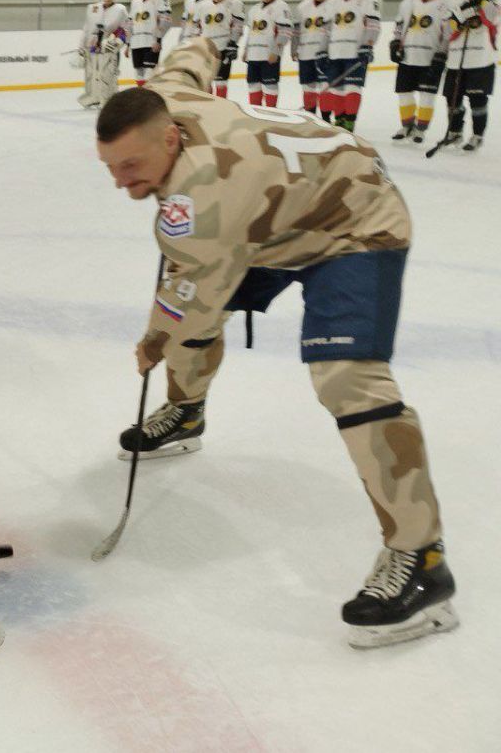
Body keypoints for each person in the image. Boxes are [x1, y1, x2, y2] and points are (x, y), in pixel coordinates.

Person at [95, 37, 456, 650]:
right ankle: (186, 411)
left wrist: (157, 335)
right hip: (275, 213)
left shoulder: (200, 203)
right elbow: (194, 52)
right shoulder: (165, 97)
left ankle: (421, 560)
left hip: (355, 221)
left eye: (133, 169)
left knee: (345, 377)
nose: (123, 185)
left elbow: (193, 299)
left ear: (172, 140)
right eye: (111, 169)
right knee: (184, 297)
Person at [438, 0, 499, 152]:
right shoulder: (458, 0)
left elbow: (493, 16)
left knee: (478, 102)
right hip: (456, 61)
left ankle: (477, 135)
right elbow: (447, 31)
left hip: (481, 60)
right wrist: (459, 18)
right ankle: (455, 132)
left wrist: (481, 0)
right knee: (452, 100)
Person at [389, 0, 453, 144]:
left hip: (431, 59)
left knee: (427, 96)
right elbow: (400, 24)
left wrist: (442, 54)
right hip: (408, 57)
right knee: (404, 94)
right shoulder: (408, 2)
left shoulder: (448, 4)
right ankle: (406, 125)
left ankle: (420, 129)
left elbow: (449, 33)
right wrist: (395, 43)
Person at [325, 0, 381, 132]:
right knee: (336, 89)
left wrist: (367, 46)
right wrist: (324, 50)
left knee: (352, 88)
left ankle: (350, 122)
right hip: (335, 52)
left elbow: (374, 24)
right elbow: (328, 29)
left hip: (355, 53)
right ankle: (340, 120)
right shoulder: (334, 2)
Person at [182, 0, 243, 98]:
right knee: (206, 80)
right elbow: (196, 26)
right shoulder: (203, 5)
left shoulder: (234, 3)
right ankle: (209, 108)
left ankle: (220, 109)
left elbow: (238, 25)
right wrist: (196, 43)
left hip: (223, 47)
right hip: (207, 47)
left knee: (221, 81)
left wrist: (233, 43)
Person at [242, 0, 293, 108]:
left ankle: (272, 115)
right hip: (253, 56)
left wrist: (275, 51)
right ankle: (256, 115)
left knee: (270, 86)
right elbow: (251, 32)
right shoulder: (254, 9)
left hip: (269, 56)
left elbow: (285, 32)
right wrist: (246, 50)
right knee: (253, 86)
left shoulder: (281, 7)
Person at [75, 0, 128, 109]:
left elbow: (126, 27)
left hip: (110, 46)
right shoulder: (94, 8)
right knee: (94, 74)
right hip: (93, 45)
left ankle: (110, 98)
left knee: (109, 73)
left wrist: (121, 42)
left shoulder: (120, 10)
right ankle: (95, 97)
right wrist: (82, 46)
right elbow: (87, 27)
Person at [292, 0, 335, 120]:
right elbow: (296, 30)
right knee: (308, 87)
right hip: (305, 54)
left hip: (325, 55)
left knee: (325, 87)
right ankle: (310, 118)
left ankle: (326, 118)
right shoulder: (303, 6)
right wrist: (294, 48)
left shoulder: (334, 4)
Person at [122, 0, 172, 87]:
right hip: (136, 43)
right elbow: (129, 24)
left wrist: (158, 40)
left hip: (151, 43)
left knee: (149, 73)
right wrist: (128, 44)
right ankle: (142, 99)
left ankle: (150, 99)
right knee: (139, 74)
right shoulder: (135, 2)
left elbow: (166, 20)